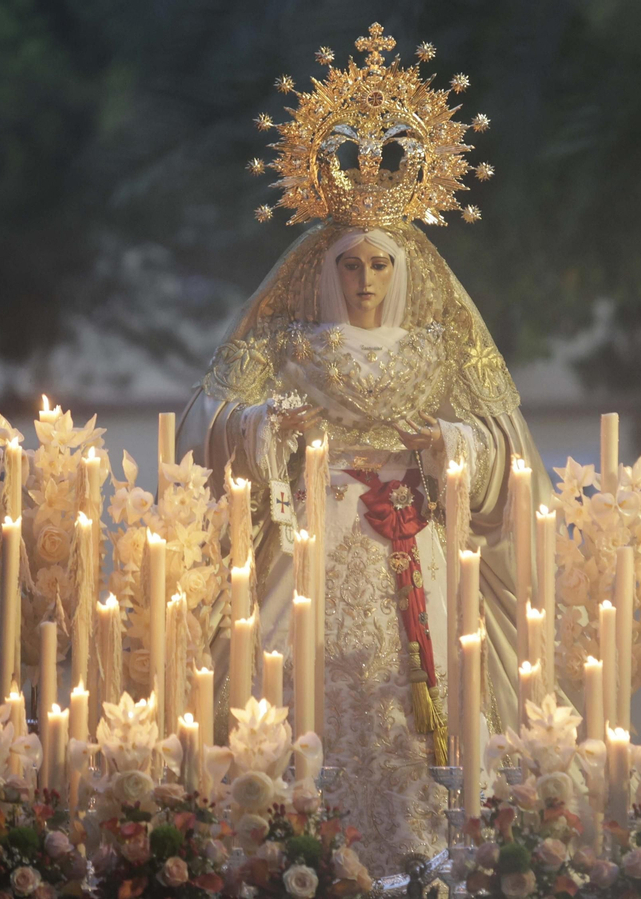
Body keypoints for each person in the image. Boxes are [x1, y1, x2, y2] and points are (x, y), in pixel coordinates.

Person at [177, 24, 554, 872]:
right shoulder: (290, 342)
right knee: (295, 680)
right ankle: (295, 852)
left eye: (381, 265)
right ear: (325, 270)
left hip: (415, 538)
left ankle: (433, 857)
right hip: (316, 534)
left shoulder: (442, 346)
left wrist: (450, 441)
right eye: (351, 266)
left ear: (406, 268)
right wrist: (266, 429)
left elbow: (509, 445)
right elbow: (208, 422)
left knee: (425, 694)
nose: (366, 282)